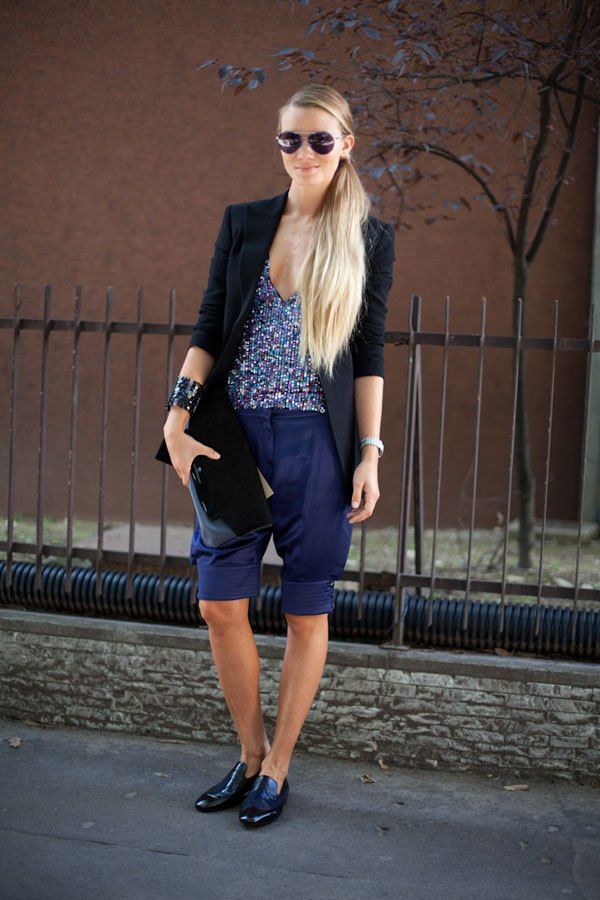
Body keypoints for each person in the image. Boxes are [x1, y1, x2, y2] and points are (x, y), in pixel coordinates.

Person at [163, 83, 396, 827]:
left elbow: (368, 353)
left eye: (320, 139)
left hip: (316, 445)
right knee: (218, 602)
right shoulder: (245, 221)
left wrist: (369, 452)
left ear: (346, 144)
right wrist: (176, 418)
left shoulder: (367, 237)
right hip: (232, 436)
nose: (303, 152)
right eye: (290, 139)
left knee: (304, 609)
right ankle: (250, 752)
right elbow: (209, 323)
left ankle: (279, 767)